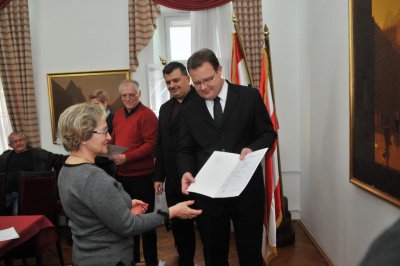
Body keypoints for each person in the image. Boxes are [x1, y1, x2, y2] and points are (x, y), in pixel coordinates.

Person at [57, 103, 202, 266]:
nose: (109, 137)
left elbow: (91, 212)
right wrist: (171, 212)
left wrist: (123, 204)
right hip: (109, 259)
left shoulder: (66, 169)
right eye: (104, 131)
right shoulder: (93, 178)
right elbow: (129, 226)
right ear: (82, 136)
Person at [177, 48, 277, 266]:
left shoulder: (248, 97)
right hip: (208, 193)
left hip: (247, 189)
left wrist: (252, 148)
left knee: (250, 252)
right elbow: (185, 148)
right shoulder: (188, 108)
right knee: (214, 253)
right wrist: (185, 171)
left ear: (220, 70)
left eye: (208, 79)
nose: (203, 87)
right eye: (197, 83)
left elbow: (268, 133)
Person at [154, 62, 199, 266]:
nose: (172, 85)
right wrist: (158, 176)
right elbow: (161, 144)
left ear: (187, 78)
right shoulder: (164, 109)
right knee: (180, 230)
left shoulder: (202, 102)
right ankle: (185, 261)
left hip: (198, 179)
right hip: (172, 181)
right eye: (168, 82)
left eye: (175, 80)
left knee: (208, 230)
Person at [110, 79, 159, 265]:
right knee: (127, 221)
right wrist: (108, 151)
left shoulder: (148, 115)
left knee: (145, 222)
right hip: (122, 177)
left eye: (132, 94)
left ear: (139, 94)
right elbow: (114, 139)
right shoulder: (118, 115)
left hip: (143, 177)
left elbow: (151, 145)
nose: (128, 98)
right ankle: (133, 260)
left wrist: (126, 157)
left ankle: (152, 261)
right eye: (124, 95)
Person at [0, 131, 67, 215]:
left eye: (21, 140)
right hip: (6, 193)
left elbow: (60, 159)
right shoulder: (5, 156)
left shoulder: (40, 154)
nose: (19, 143)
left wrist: (78, 156)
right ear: (10, 145)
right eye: (15, 141)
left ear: (26, 141)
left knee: (17, 215)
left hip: (27, 194)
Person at [88, 89, 116, 176]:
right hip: (92, 162)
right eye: (91, 105)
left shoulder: (115, 118)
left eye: (96, 105)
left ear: (105, 103)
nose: (93, 108)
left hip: (108, 163)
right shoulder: (89, 120)